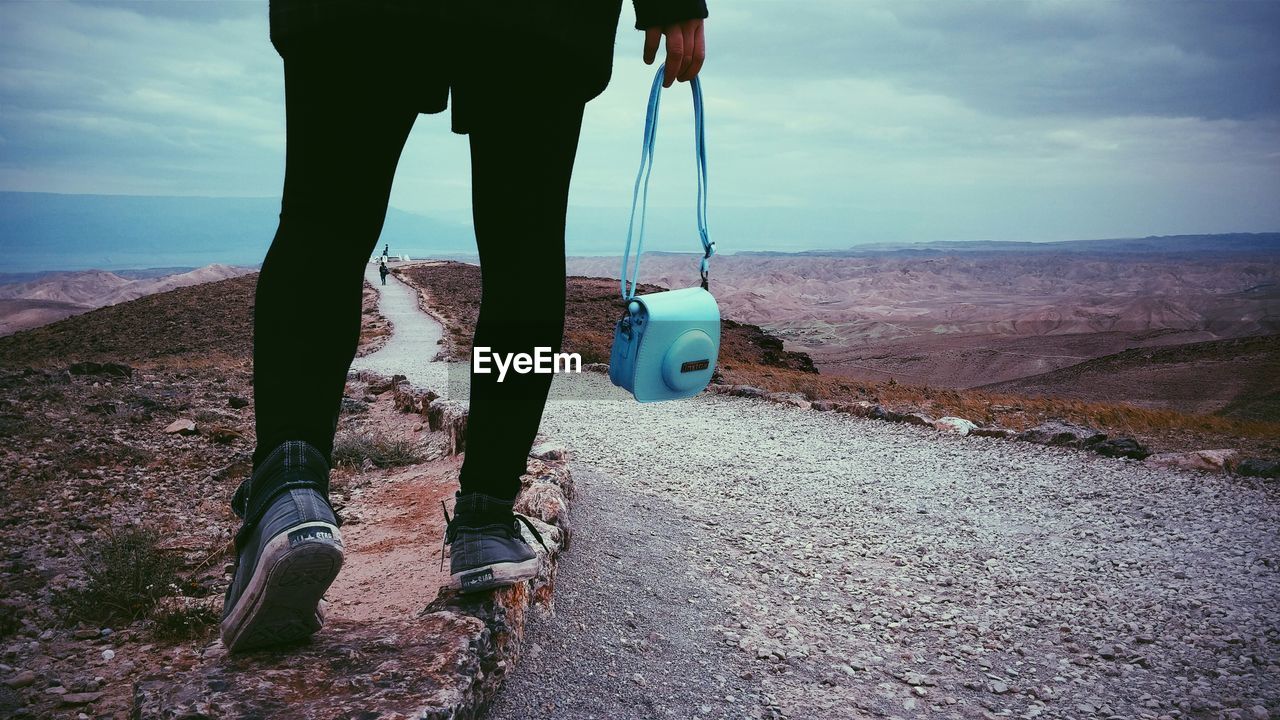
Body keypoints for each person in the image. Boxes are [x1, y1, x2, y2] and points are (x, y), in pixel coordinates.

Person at [220, 1, 709, 653]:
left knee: (326, 217)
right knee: (526, 247)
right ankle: (485, 517)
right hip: (536, 21)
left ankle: (287, 490)